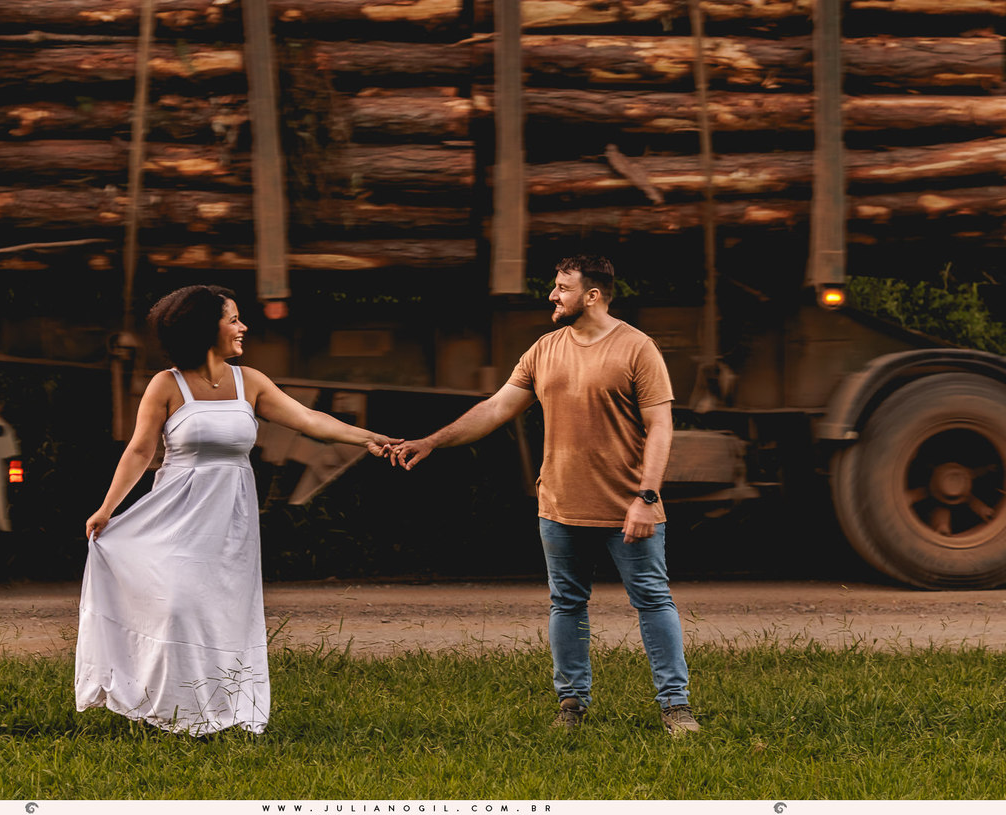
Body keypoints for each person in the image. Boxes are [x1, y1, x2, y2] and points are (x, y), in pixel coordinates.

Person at [390, 254, 699, 735]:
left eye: (562, 288)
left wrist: (647, 497)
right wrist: (432, 441)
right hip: (559, 506)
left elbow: (661, 426)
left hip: (627, 506)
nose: (552, 295)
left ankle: (675, 706)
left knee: (653, 600)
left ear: (591, 296)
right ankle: (571, 705)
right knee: (567, 604)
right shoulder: (545, 348)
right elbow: (496, 408)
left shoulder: (637, 348)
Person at [75, 284, 400, 736]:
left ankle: (221, 707)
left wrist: (368, 438)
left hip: (230, 517)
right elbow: (140, 450)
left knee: (222, 609)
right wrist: (107, 508)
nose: (243, 327)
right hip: (176, 511)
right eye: (233, 319)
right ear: (205, 327)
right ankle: (165, 705)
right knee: (176, 605)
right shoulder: (167, 384)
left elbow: (310, 421)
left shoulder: (251, 381)